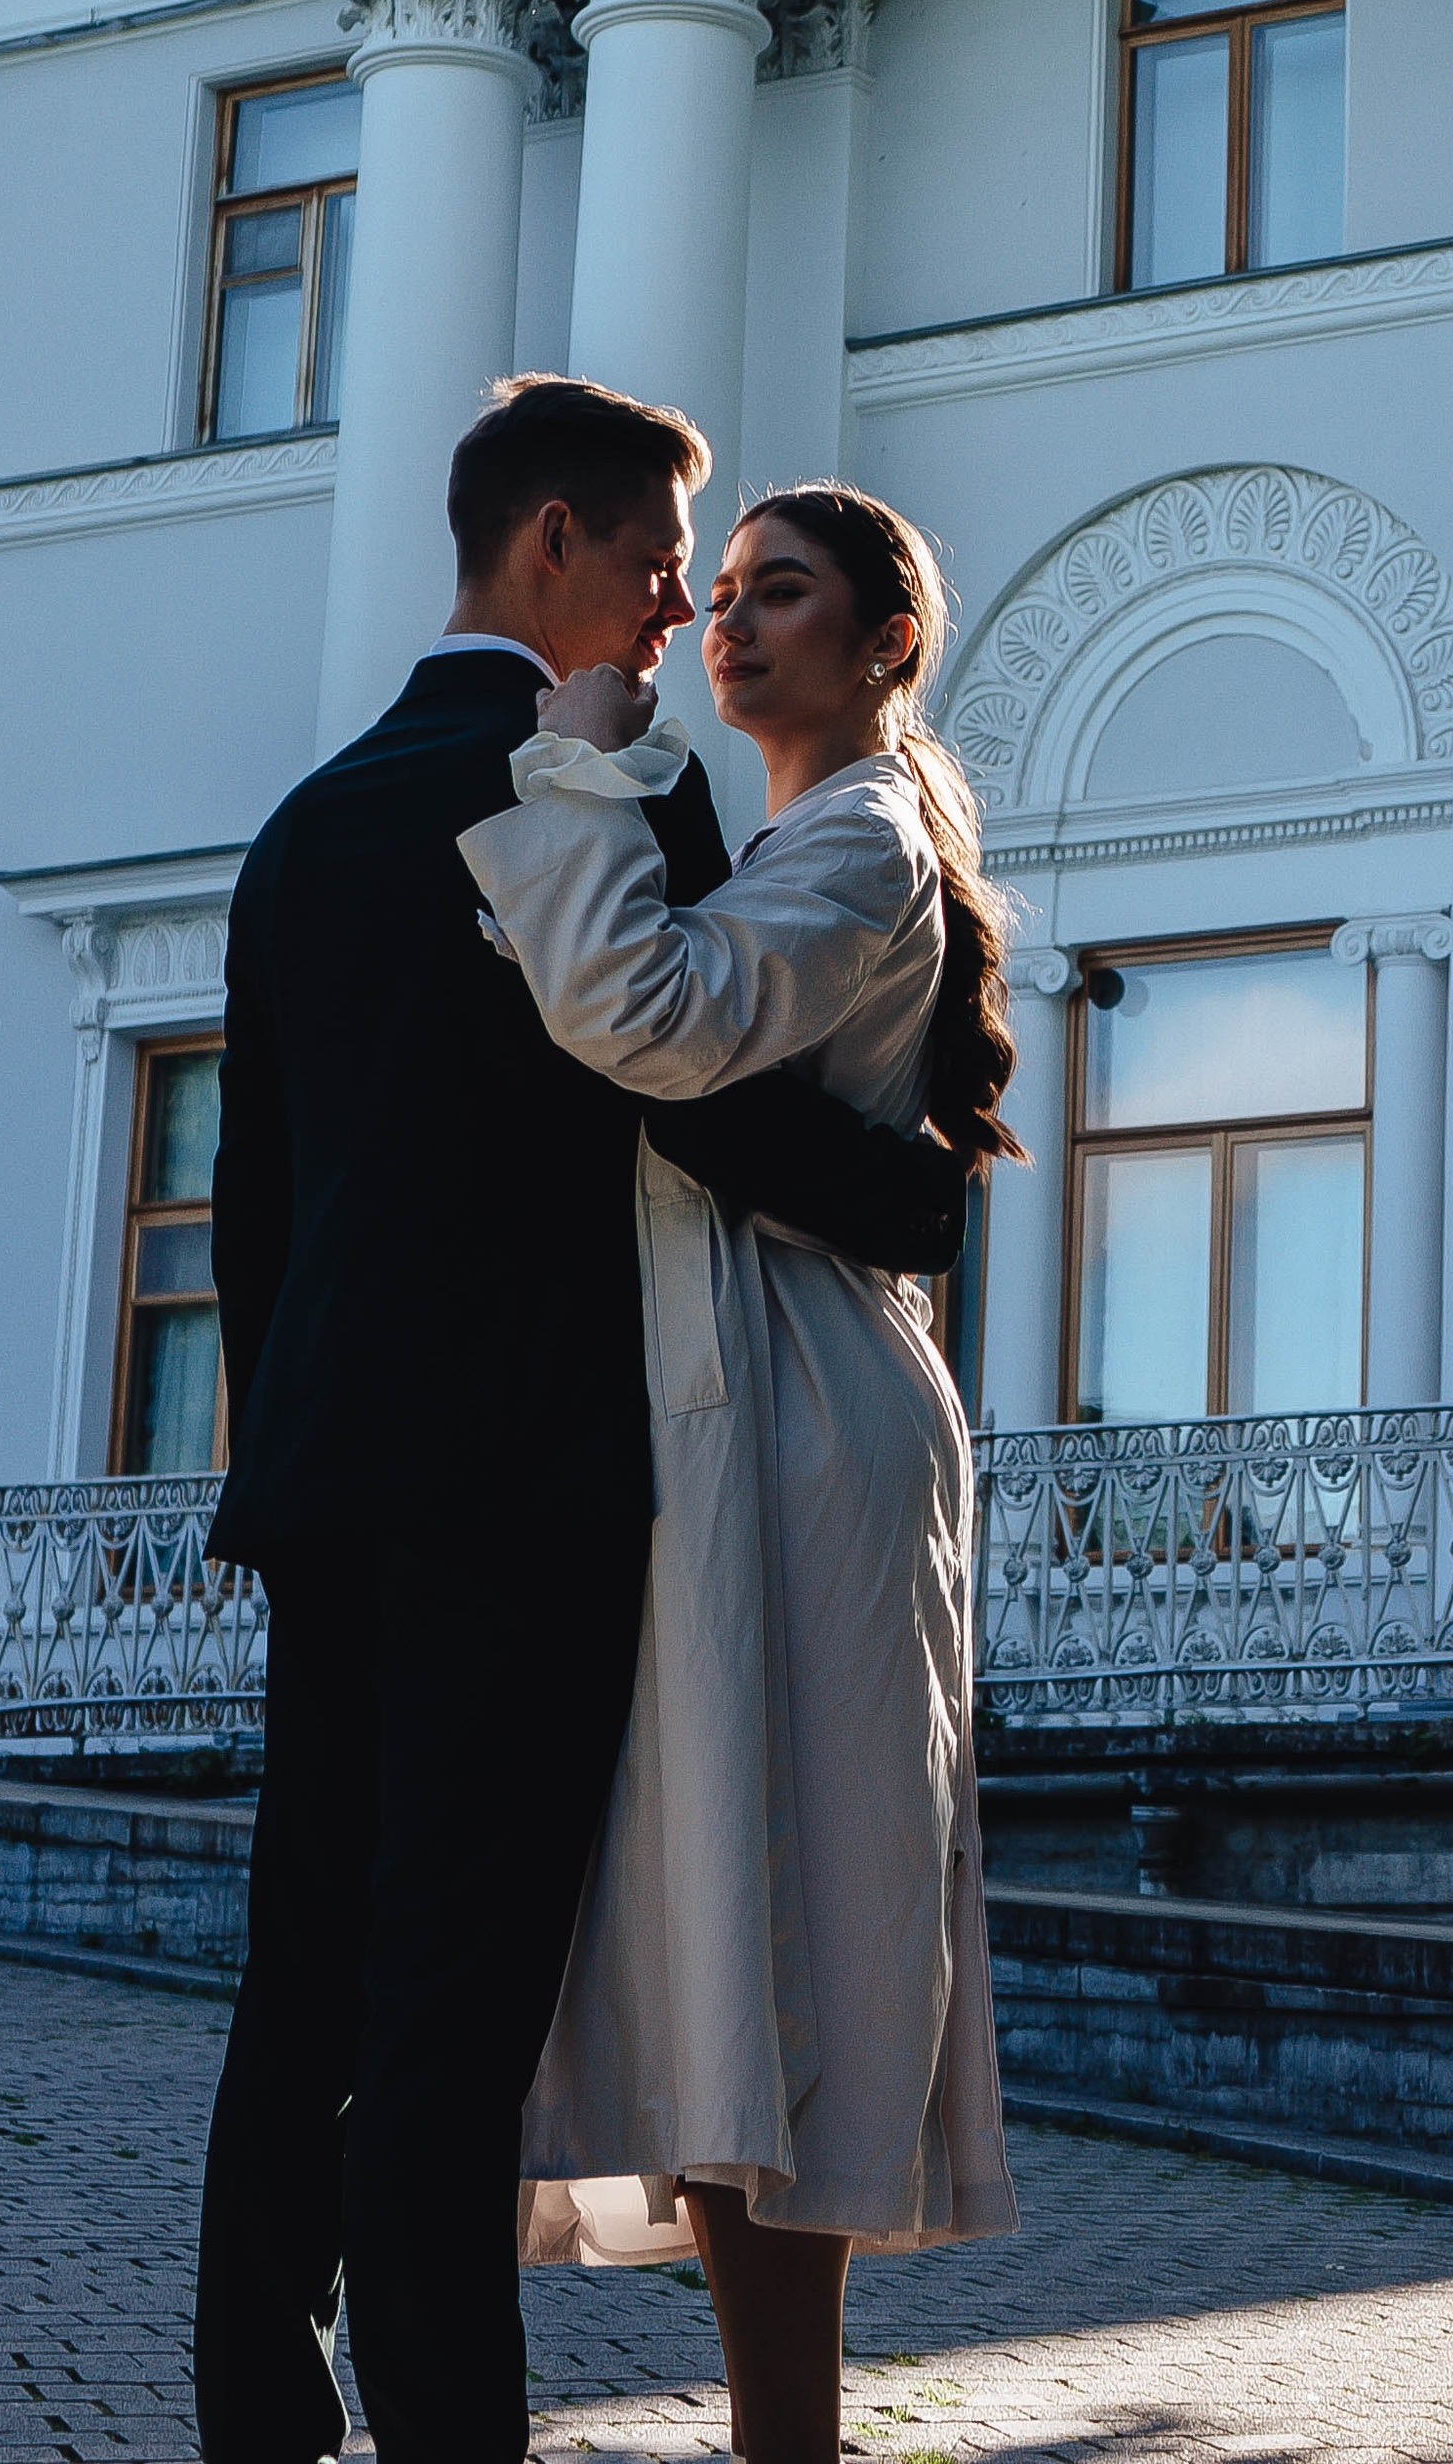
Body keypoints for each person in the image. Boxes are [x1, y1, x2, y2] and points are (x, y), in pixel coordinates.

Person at [195, 381, 967, 2464]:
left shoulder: (305, 823)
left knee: (302, 1985)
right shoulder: (604, 797)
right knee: (445, 2013)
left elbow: (257, 1198)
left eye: (724, 587)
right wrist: (906, 1202)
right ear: (554, 545)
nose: (673, 619)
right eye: (657, 569)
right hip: (536, 1498)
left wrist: (272, 1460)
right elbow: (684, 1103)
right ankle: (453, 2437)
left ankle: (257, 2415)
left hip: (335, 1480)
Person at [456, 484, 1021, 2464]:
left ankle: (794, 2443)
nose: (731, 621)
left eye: (783, 592)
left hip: (794, 1428)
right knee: (737, 1928)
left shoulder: (858, 829)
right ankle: (786, 2441)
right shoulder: (808, 832)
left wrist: (570, 773)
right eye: (732, 592)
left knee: (773, 1926)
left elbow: (648, 1021)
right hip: (752, 1406)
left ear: (886, 641)